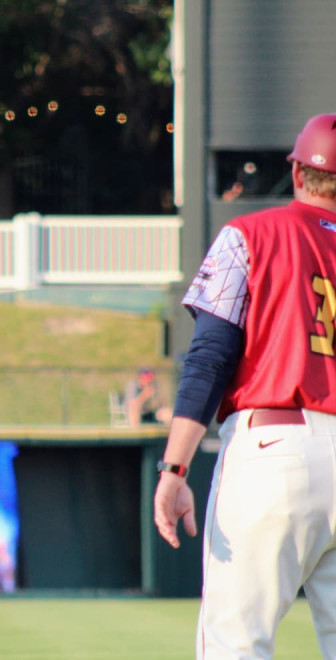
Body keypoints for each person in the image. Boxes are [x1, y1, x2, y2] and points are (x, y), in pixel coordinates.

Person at [153, 113, 336, 658]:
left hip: (278, 446)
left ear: (298, 171)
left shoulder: (250, 234)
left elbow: (209, 357)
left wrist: (175, 468)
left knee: (237, 645)